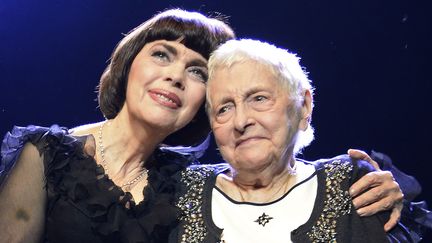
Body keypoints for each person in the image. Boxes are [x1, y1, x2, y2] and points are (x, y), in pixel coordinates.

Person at [0, 9, 404, 243]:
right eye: (162, 54)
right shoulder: (47, 156)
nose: (175, 76)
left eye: (195, 71)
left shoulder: (183, 182)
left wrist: (388, 192)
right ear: (129, 64)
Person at [171, 39, 420, 242]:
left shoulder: (351, 185)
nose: (241, 121)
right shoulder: (180, 190)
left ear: (304, 107)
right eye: (224, 109)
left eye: (258, 98)